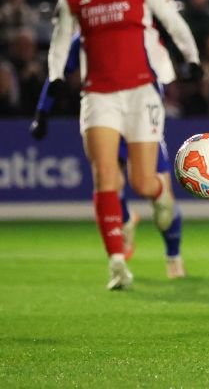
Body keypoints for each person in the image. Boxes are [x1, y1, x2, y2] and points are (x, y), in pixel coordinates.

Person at [45, 0, 201, 290]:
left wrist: (192, 58)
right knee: (104, 176)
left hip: (141, 92)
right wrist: (53, 78)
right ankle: (117, 264)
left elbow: (173, 22)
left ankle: (160, 202)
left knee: (145, 182)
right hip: (98, 95)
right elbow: (60, 42)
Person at [30, 33, 186, 276]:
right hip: (106, 113)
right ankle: (123, 222)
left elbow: (166, 60)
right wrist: (42, 111)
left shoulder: (140, 30)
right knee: (108, 179)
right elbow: (57, 71)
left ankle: (173, 256)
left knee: (156, 193)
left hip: (141, 118)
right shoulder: (85, 36)